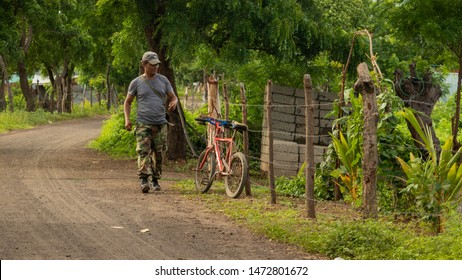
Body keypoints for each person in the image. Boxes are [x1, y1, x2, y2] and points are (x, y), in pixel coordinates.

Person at [124, 51, 178, 193]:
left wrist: (174, 102)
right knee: (143, 152)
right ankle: (143, 180)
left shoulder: (164, 81)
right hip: (143, 123)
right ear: (144, 64)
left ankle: (155, 180)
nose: (155, 67)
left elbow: (173, 97)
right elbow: (127, 102)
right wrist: (127, 120)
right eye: (152, 65)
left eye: (157, 65)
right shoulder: (136, 83)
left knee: (159, 154)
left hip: (160, 124)